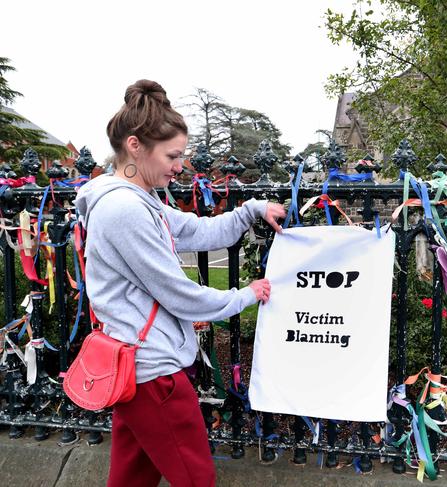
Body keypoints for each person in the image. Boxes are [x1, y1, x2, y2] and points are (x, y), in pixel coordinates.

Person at [75, 79, 285, 487]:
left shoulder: (139, 200)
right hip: (154, 374)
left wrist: (251, 210)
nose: (179, 166)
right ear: (135, 146)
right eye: (172, 155)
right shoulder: (123, 209)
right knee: (196, 479)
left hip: (134, 366)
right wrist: (245, 295)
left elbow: (197, 232)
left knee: (131, 479)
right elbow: (178, 294)